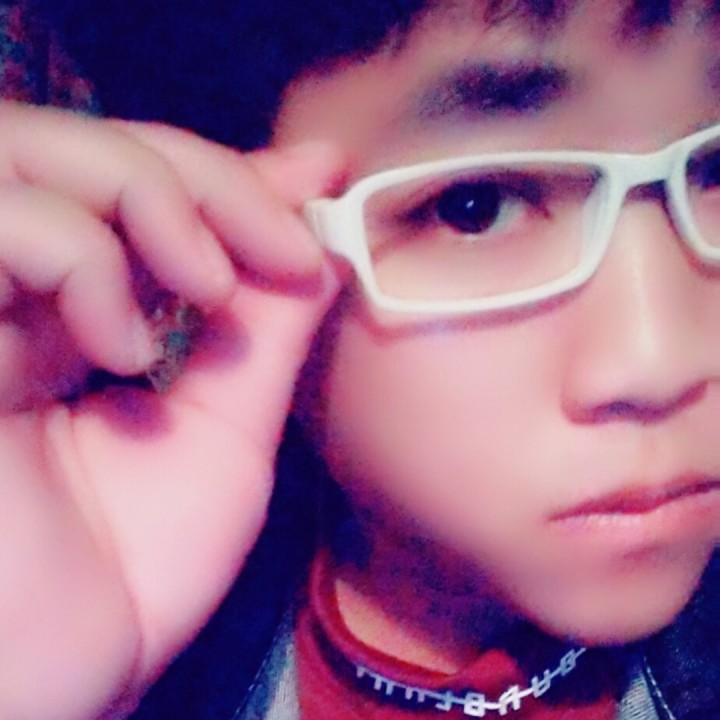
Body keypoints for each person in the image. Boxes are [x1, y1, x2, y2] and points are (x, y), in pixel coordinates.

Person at [1, 0, 720, 718]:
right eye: (476, 205)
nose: (659, 361)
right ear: (213, 232)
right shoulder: (118, 609)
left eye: (716, 172)